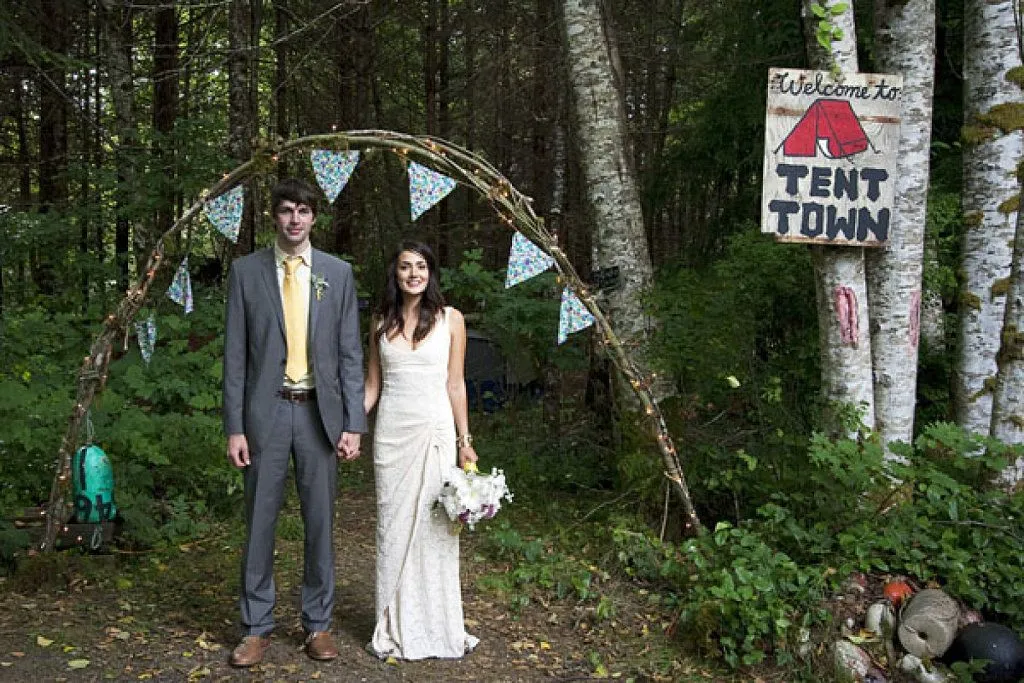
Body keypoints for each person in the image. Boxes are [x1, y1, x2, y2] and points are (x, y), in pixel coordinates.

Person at [222, 178, 366, 667]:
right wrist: (235, 427)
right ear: (274, 217)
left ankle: (317, 624)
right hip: (266, 415)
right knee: (259, 523)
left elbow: (350, 352)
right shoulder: (246, 273)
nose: (295, 219)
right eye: (287, 210)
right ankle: (256, 628)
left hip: (320, 417)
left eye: (304, 211)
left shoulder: (337, 273)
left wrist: (353, 423)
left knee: (320, 524)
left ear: (314, 218)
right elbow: (235, 356)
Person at [363, 241, 480, 660]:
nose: (413, 273)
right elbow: (373, 385)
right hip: (392, 436)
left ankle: (437, 625)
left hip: (435, 432)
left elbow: (455, 383)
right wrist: (347, 425)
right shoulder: (380, 321)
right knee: (391, 528)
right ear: (394, 275)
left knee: (434, 531)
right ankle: (393, 625)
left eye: (421, 266)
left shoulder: (452, 320)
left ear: (431, 272)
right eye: (404, 267)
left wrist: (465, 443)